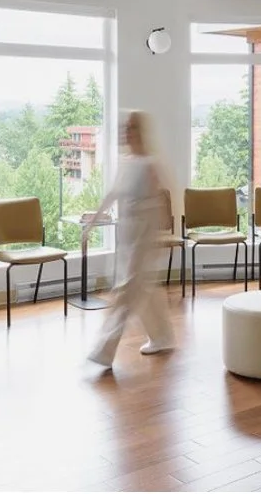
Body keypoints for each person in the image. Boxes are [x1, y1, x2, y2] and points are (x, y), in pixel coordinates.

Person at [82, 110, 176, 367]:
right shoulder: (125, 162)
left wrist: (157, 240)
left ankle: (104, 350)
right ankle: (163, 337)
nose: (127, 131)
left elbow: (158, 204)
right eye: (125, 127)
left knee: (126, 290)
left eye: (132, 127)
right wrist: (93, 221)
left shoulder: (150, 164)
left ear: (141, 131)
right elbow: (113, 193)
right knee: (144, 289)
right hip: (127, 234)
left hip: (143, 236)